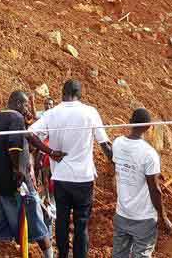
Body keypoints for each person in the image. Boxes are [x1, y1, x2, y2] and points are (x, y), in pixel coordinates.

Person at [28, 80, 113, 258]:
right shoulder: (90, 112)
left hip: (61, 178)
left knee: (62, 221)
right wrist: (116, 162)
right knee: (81, 224)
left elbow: (30, 133)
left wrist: (50, 151)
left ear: (62, 93)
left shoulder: (52, 113)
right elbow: (105, 145)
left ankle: (63, 255)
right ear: (79, 94)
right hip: (84, 179)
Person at [0, 91, 65, 258]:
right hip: (16, 183)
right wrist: (18, 169)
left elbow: (29, 136)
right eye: (26, 105)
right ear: (18, 104)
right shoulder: (16, 118)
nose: (28, 109)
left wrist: (49, 151)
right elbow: (14, 147)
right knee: (38, 222)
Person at [111, 108, 172, 258]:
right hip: (143, 218)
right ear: (149, 127)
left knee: (119, 254)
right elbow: (154, 189)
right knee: (142, 255)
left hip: (122, 213)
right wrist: (163, 217)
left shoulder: (117, 143)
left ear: (130, 122)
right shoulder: (149, 154)